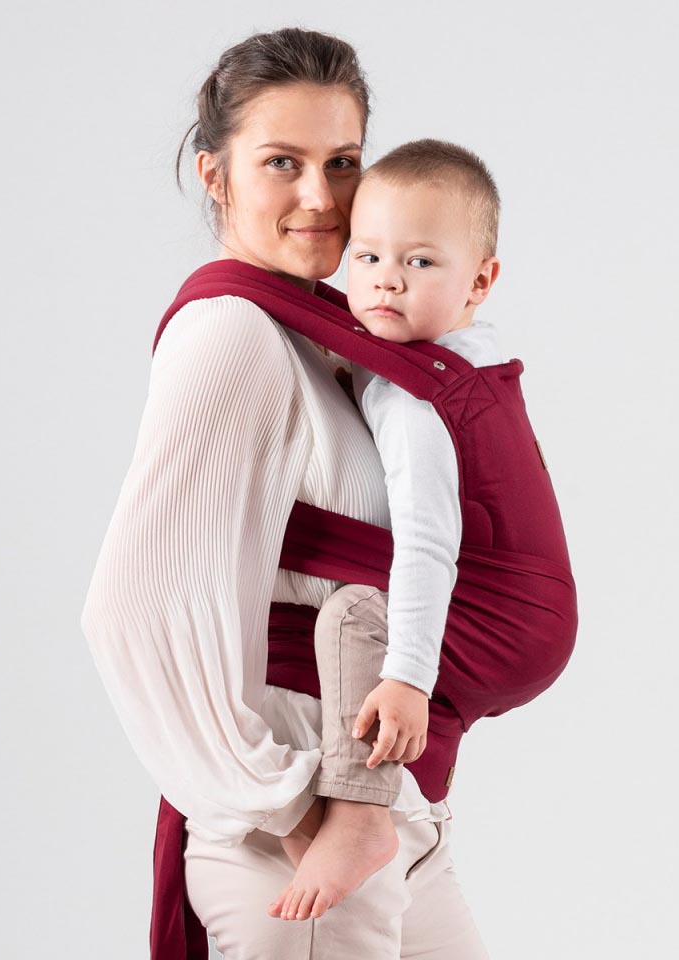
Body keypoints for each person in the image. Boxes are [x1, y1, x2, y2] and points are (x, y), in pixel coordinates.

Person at [80, 26, 490, 959]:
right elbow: (127, 610)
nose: (320, 196)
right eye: (281, 162)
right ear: (214, 176)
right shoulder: (234, 335)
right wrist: (289, 806)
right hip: (304, 839)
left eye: (342, 162)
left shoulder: (322, 340)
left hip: (387, 815)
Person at [269, 138, 504, 922]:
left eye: (420, 262)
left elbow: (429, 541)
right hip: (524, 611)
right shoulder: (462, 359)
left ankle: (358, 811)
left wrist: (407, 677)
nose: (385, 280)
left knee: (352, 612)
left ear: (480, 282)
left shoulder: (413, 400)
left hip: (497, 612)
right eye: (367, 257)